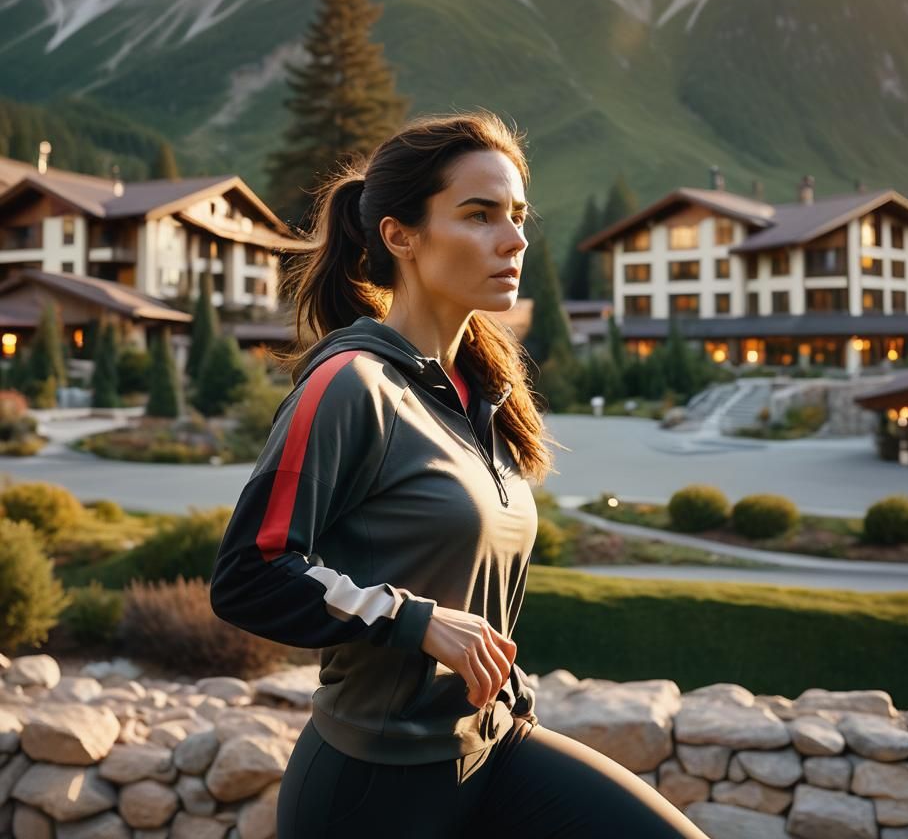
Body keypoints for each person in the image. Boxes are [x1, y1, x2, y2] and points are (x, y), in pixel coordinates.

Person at [209, 112, 711, 838]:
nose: (514, 240)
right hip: (372, 787)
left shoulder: (481, 394)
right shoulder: (352, 386)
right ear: (401, 236)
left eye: (516, 216)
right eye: (479, 216)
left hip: (493, 750)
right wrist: (413, 620)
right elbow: (249, 573)